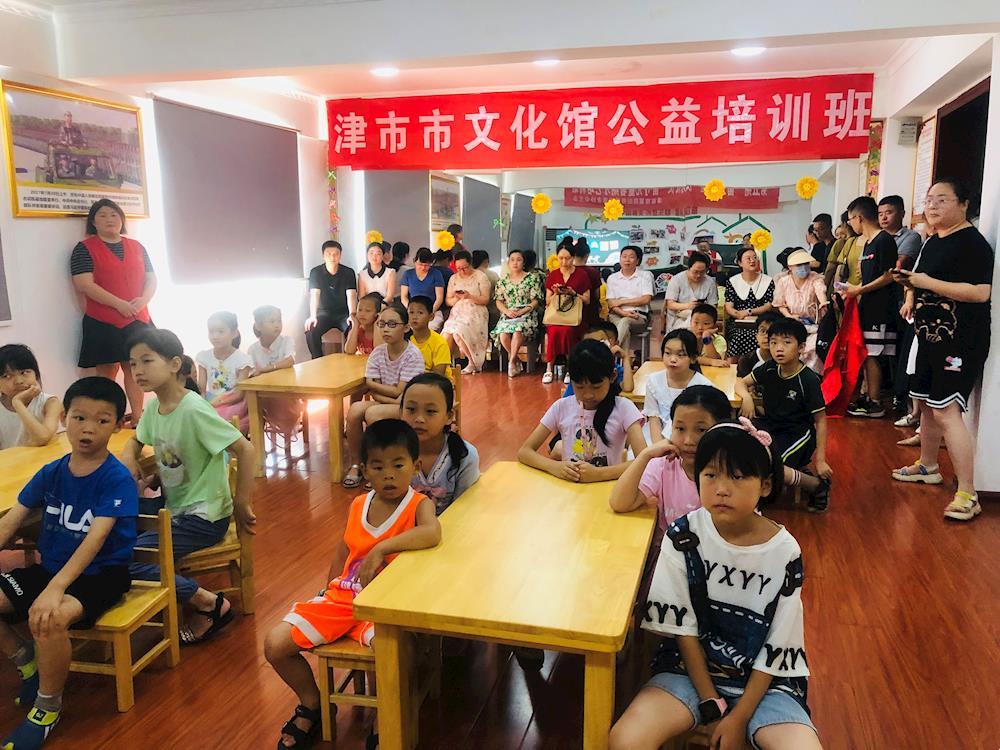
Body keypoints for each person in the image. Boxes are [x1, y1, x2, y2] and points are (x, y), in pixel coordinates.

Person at [609, 422, 821, 750]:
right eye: (710, 475)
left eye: (737, 477)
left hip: (766, 686)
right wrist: (711, 704)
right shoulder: (683, 535)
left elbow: (779, 642)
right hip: (688, 672)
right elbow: (683, 629)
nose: (721, 489)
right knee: (626, 740)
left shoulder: (785, 551)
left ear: (765, 485)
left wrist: (739, 718)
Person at [264, 419, 441, 750]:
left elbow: (432, 532)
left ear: (415, 466)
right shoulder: (359, 504)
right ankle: (313, 704)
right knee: (274, 645)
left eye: (398, 464)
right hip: (343, 600)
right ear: (365, 470)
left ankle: (383, 714)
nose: (389, 475)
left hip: (385, 605)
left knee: (389, 654)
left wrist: (381, 549)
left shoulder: (419, 504)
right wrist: (326, 589)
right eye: (378, 466)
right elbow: (343, 550)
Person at [0, 377, 135, 749]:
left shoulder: (117, 479)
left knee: (49, 618)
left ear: (117, 425)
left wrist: (55, 589)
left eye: (102, 420)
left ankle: (47, 708)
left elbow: (95, 541)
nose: (88, 428)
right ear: (65, 419)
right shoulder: (52, 471)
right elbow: (10, 522)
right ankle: (26, 660)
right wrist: (51, 582)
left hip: (101, 576)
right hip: (51, 569)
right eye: (79, 418)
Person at [121, 328, 256, 644]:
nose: (137, 370)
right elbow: (136, 439)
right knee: (111, 533)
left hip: (203, 517)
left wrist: (241, 501)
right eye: (133, 363)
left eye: (146, 361)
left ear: (174, 364)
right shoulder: (154, 408)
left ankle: (208, 603)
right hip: (175, 507)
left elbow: (246, 450)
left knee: (128, 557)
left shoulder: (193, 409)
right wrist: (129, 455)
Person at [891, 179, 993, 522]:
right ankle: (928, 465)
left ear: (964, 204)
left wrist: (924, 283)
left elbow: (980, 292)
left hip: (959, 340)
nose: (932, 206)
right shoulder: (933, 240)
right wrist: (910, 292)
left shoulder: (973, 244)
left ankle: (968, 493)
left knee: (947, 411)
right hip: (927, 336)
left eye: (942, 200)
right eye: (929, 199)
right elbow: (920, 276)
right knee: (926, 404)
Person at [71, 199, 156, 424]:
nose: (109, 219)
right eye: (102, 215)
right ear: (93, 222)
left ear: (121, 219)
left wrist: (143, 300)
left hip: (138, 318)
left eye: (114, 215)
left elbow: (151, 278)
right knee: (107, 372)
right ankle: (109, 419)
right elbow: (84, 284)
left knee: (136, 368)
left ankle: (138, 418)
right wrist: (119, 304)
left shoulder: (137, 246)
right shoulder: (84, 248)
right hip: (104, 320)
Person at [735, 318, 832, 512]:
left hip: (798, 433)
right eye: (774, 342)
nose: (779, 348)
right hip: (770, 426)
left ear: (801, 347)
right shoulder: (770, 367)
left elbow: (821, 420)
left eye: (787, 342)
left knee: (771, 463)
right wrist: (746, 397)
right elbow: (741, 382)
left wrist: (820, 460)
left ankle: (816, 486)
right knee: (739, 446)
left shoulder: (808, 379)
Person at [519, 339, 646, 482]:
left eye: (596, 387)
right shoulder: (561, 407)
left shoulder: (624, 408)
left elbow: (644, 459)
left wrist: (600, 474)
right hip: (570, 488)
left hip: (608, 488)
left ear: (612, 377)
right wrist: (554, 466)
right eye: (579, 387)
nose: (588, 395)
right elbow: (525, 452)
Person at [611, 385, 732, 531]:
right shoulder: (665, 465)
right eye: (680, 428)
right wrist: (645, 455)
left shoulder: (734, 473)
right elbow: (619, 503)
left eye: (701, 430)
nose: (688, 441)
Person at [342, 303, 425, 489]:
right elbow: (384, 391)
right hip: (389, 402)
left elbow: (399, 392)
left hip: (409, 406)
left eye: (392, 324)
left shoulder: (413, 355)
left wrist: (375, 387)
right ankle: (357, 465)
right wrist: (388, 395)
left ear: (406, 328)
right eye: (382, 324)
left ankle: (381, 469)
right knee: (354, 410)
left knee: (373, 414)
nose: (386, 329)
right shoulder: (378, 353)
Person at [843, 196, 898, 418]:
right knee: (866, 353)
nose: (851, 225)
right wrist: (853, 289)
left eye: (850, 220)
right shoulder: (866, 244)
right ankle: (867, 397)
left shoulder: (884, 241)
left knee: (873, 354)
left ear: (859, 217)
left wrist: (860, 290)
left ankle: (875, 402)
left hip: (880, 308)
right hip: (866, 306)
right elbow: (867, 277)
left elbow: (889, 275)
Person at [401, 373, 480, 515]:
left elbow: (465, 510)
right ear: (400, 411)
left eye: (430, 411)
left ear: (449, 417)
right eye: (411, 409)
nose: (419, 419)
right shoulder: (391, 452)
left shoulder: (465, 456)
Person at [879, 196, 923, 415]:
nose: (884, 217)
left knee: (898, 348)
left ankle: (900, 396)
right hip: (880, 298)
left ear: (902, 213)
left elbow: (897, 266)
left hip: (900, 299)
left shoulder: (911, 237)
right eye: (880, 214)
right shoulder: (876, 237)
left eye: (889, 212)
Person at [644, 330, 718, 443]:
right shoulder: (653, 380)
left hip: (690, 441)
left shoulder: (704, 386)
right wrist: (659, 448)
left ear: (693, 358)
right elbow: (654, 420)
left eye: (680, 355)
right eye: (667, 353)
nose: (673, 359)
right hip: (657, 439)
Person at [248, 305, 302, 440]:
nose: (277, 325)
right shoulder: (253, 349)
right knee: (252, 403)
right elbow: (251, 372)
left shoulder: (287, 341)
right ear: (258, 326)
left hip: (285, 392)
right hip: (263, 395)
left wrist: (266, 369)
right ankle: (257, 443)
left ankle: (287, 431)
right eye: (272, 321)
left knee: (283, 402)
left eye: (279, 321)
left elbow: (289, 360)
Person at [542, 245, 593, 385]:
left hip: (574, 318)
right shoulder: (553, 275)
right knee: (553, 331)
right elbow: (547, 301)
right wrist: (556, 293)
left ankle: (571, 368)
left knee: (569, 331)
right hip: (556, 316)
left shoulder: (581, 275)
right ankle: (549, 367)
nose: (564, 262)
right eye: (561, 258)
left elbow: (587, 300)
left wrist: (573, 293)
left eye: (567, 258)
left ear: (573, 258)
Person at [196, 311, 253, 434]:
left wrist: (218, 402)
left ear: (234, 333)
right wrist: (203, 404)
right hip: (211, 399)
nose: (215, 336)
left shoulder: (243, 360)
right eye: (211, 331)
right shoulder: (204, 357)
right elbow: (201, 389)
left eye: (220, 331)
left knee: (217, 418)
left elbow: (239, 394)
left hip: (233, 402)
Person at [774, 248, 829, 371]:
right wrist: (789, 316)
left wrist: (823, 302)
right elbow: (780, 304)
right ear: (790, 267)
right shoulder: (783, 282)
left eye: (806, 264)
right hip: (793, 324)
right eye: (799, 265)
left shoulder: (815, 278)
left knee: (812, 349)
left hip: (814, 325)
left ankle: (813, 377)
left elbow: (820, 291)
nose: (803, 267)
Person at [492, 249, 544, 378]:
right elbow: (499, 301)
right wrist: (507, 311)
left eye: (519, 260)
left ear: (524, 262)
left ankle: (511, 363)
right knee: (503, 333)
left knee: (517, 330)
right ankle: (516, 360)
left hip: (526, 314)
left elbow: (535, 300)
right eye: (512, 260)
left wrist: (522, 311)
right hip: (508, 314)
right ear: (508, 263)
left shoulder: (532, 278)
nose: (515, 263)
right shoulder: (502, 281)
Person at [0, 345, 62, 450]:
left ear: (36, 375)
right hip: (10, 460)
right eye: (7, 376)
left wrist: (18, 403)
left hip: (45, 459)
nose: (18, 381)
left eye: (24, 372)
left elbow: (43, 438)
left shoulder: (50, 402)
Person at [441, 249, 491, 374]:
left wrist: (469, 296)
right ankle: (443, 365)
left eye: (465, 268)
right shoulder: (453, 278)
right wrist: (457, 297)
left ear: (470, 264)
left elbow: (485, 299)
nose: (462, 271)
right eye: (459, 268)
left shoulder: (480, 276)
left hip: (476, 312)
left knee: (458, 332)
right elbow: (448, 301)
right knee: (446, 334)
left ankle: (472, 362)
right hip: (458, 313)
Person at [305, 241, 357, 360]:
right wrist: (313, 316)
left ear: (340, 255)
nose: (332, 257)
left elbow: (351, 295)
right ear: (323, 255)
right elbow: (315, 294)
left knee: (352, 327)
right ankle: (317, 360)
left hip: (343, 313)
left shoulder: (348, 272)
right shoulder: (316, 272)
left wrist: (352, 315)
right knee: (311, 329)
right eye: (328, 254)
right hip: (324, 313)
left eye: (336, 254)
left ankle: (350, 359)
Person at [724, 246, 775, 359]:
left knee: (761, 334)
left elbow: (768, 306)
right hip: (739, 321)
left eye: (755, 257)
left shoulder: (767, 280)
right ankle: (734, 364)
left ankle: (762, 362)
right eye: (748, 258)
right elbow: (729, 306)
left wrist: (749, 312)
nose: (752, 261)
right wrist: (738, 314)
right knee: (738, 335)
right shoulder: (733, 281)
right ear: (740, 263)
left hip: (761, 321)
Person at [563, 322, 635, 397]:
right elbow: (566, 400)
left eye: (601, 343)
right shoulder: (579, 370)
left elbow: (628, 387)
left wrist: (625, 358)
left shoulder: (615, 368)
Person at [606, 245, 655, 354]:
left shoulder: (645, 276)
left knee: (625, 322)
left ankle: (610, 351)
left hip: (639, 316)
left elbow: (646, 299)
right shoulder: (612, 278)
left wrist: (621, 302)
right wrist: (624, 313)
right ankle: (624, 359)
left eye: (631, 257)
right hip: (616, 315)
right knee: (624, 326)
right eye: (624, 256)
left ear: (637, 261)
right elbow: (611, 304)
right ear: (620, 259)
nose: (627, 260)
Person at [664, 252, 717, 332]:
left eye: (702, 272)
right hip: (677, 318)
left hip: (701, 320)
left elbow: (713, 305)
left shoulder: (710, 282)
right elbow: (670, 304)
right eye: (695, 272)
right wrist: (688, 306)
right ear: (689, 268)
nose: (698, 275)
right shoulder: (676, 280)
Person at [399, 248, 446, 331]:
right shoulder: (408, 274)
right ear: (415, 261)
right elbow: (404, 297)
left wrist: (429, 312)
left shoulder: (436, 274)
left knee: (429, 327)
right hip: (412, 309)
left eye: (427, 265)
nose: (423, 268)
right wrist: (411, 311)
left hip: (432, 310)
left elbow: (439, 298)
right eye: (420, 264)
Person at [407, 296, 450, 376]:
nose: (414, 317)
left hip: (435, 381)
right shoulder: (405, 340)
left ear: (431, 317)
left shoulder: (439, 342)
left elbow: (438, 375)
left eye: (420, 313)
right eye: (411, 312)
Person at [736, 311, 782, 378]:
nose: (767, 336)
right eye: (763, 331)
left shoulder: (785, 360)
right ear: (756, 336)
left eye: (772, 332)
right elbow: (742, 383)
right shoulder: (746, 360)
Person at [825, 211, 859, 290]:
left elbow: (831, 268)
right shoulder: (864, 240)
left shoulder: (841, 243)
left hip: (843, 286)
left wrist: (824, 287)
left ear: (844, 224)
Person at [573, 238, 603, 327]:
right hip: (590, 311)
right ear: (587, 255)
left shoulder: (569, 271)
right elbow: (597, 295)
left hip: (572, 311)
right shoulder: (593, 272)